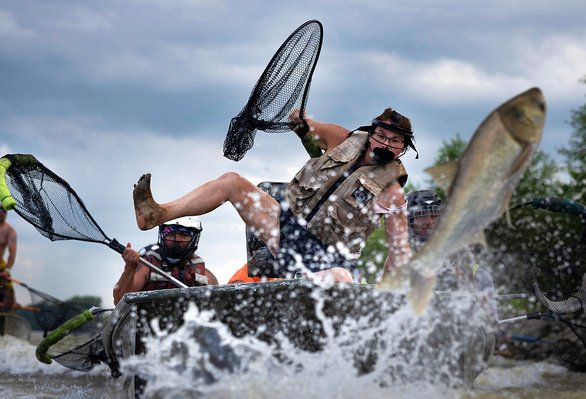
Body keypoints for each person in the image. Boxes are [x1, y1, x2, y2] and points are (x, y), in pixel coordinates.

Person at [132, 108, 418, 281]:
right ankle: (157, 213)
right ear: (371, 133)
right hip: (288, 231)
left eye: (395, 142)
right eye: (381, 136)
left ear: (402, 149)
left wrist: (384, 294)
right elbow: (308, 127)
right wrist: (299, 122)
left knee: (341, 277)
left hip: (330, 259)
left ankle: (301, 282)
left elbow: (398, 251)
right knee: (232, 182)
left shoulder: (391, 193)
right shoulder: (342, 138)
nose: (385, 144)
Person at [407, 189, 497, 318]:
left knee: (482, 276)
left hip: (463, 328)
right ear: (410, 221)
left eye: (434, 216)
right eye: (422, 216)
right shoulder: (400, 261)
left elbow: (491, 319)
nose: (429, 222)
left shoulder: (471, 268)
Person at [113, 217, 218, 304]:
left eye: (184, 235)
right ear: (162, 235)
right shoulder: (146, 265)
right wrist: (129, 267)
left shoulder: (204, 273)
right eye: (171, 233)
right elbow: (118, 301)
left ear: (194, 239)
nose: (177, 240)